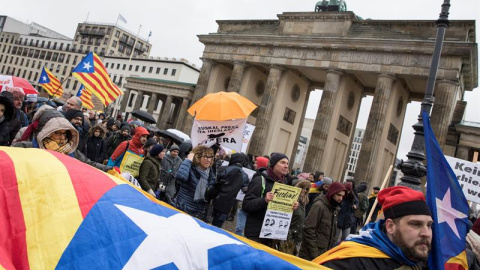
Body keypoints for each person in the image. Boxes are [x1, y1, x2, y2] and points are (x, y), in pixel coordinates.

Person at [316, 186, 433, 270]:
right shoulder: (350, 261)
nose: (426, 233)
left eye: (429, 225)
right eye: (416, 224)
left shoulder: (420, 258)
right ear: (390, 226)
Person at [13, 107, 111, 171]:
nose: (61, 137)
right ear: (47, 132)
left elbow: (89, 164)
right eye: (57, 132)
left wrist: (110, 170)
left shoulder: (71, 151)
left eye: (64, 134)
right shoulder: (27, 147)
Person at [242, 153, 298, 247]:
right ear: (273, 164)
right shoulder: (260, 180)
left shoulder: (285, 184)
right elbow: (246, 205)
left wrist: (292, 206)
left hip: (273, 235)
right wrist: (264, 200)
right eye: (282, 162)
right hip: (256, 234)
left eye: (287, 163)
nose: (286, 166)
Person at [299, 182, 346, 260]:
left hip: (324, 254)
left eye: (343, 196)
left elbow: (332, 232)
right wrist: (315, 254)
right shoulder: (319, 206)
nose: (340, 198)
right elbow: (308, 230)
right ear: (332, 193)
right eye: (338, 195)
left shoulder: (335, 208)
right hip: (311, 255)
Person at [175, 145, 216, 221]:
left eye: (210, 157)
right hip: (184, 209)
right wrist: (188, 160)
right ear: (198, 157)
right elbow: (180, 177)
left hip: (198, 213)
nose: (208, 160)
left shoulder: (210, 173)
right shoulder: (191, 168)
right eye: (205, 157)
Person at [209, 153, 249, 228]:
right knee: (217, 227)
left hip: (214, 200)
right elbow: (245, 190)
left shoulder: (223, 169)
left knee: (205, 223)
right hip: (227, 205)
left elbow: (213, 181)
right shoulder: (244, 175)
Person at [279, 179, 311, 256]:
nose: (304, 191)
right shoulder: (291, 201)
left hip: (296, 238)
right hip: (288, 237)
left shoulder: (303, 203)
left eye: (306, 189)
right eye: (302, 188)